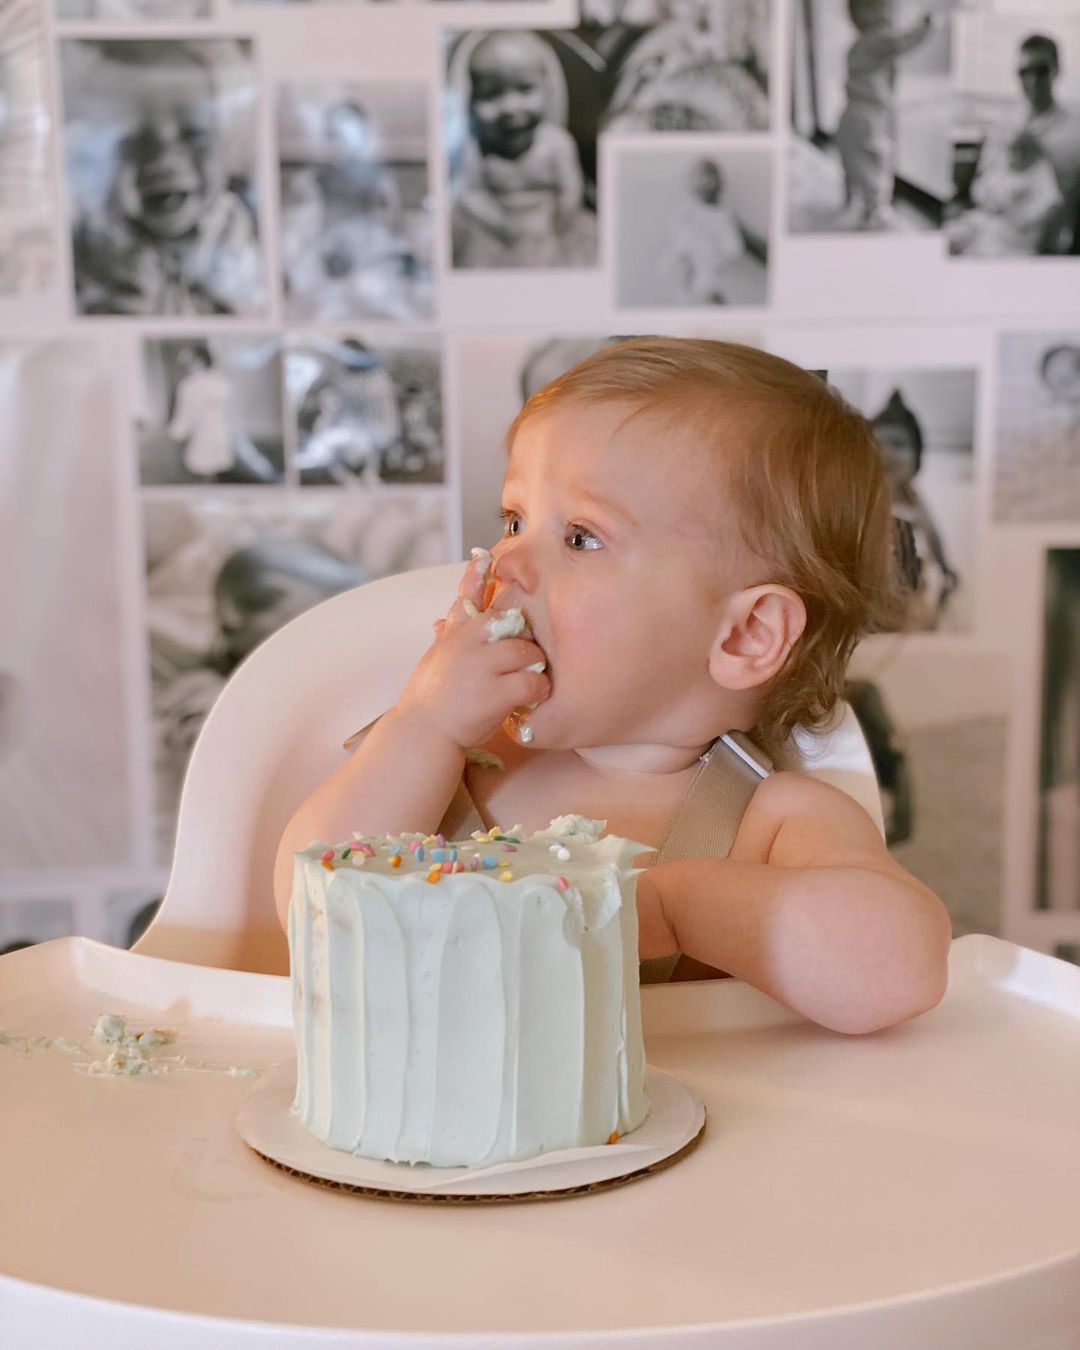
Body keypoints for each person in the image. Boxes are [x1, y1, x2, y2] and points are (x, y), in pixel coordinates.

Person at [274, 338, 951, 1035]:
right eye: (513, 521)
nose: (505, 560)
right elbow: (309, 912)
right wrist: (422, 724)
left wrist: (674, 909)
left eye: (580, 538)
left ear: (746, 635)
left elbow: (900, 973)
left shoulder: (769, 820)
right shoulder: (445, 768)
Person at [70, 40, 265, 315]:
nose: (164, 159)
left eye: (194, 134)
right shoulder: (91, 244)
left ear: (225, 148)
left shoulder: (238, 228)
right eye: (131, 141)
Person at [450, 32, 598, 268]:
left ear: (548, 90)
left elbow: (570, 192)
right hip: (494, 233)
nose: (510, 107)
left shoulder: (556, 144)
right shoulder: (476, 149)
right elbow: (468, 195)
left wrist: (556, 226)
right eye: (491, 94)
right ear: (470, 99)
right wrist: (501, 225)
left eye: (525, 89)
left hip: (550, 230)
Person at [834, 0, 935, 231]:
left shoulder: (856, 45)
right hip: (870, 115)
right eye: (880, 6)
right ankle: (875, 212)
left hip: (850, 112)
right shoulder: (877, 39)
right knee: (876, 164)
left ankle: (849, 198)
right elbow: (903, 42)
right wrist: (926, 26)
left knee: (853, 162)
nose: (885, 12)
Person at [870, 389, 959, 630]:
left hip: (910, 586)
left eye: (898, 445)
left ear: (916, 457)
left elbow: (932, 533)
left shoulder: (913, 499)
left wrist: (943, 565)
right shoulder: (866, 498)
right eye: (878, 444)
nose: (887, 453)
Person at [946, 129, 1062, 257]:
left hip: (1017, 236)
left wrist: (1026, 220)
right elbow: (980, 190)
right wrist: (989, 199)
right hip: (989, 221)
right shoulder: (1003, 161)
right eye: (1013, 151)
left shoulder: (1039, 168)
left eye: (1021, 151)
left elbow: (1052, 203)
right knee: (954, 234)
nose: (1016, 157)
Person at [660, 156, 746, 304]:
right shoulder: (687, 211)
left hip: (709, 260)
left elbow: (733, 247)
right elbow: (677, 228)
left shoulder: (723, 215)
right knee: (674, 272)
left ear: (720, 184)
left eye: (710, 179)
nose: (705, 184)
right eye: (700, 178)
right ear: (691, 183)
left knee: (707, 285)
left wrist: (716, 251)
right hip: (686, 255)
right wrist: (685, 249)